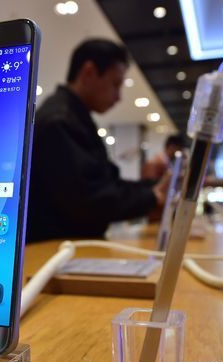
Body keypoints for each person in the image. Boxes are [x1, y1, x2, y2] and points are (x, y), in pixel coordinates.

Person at [26, 39, 168, 242]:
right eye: (116, 84)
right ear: (89, 73)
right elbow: (89, 200)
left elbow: (106, 184)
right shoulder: (59, 121)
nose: (118, 97)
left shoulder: (73, 117)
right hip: (55, 250)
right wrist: (152, 195)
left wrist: (154, 187)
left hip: (67, 247)